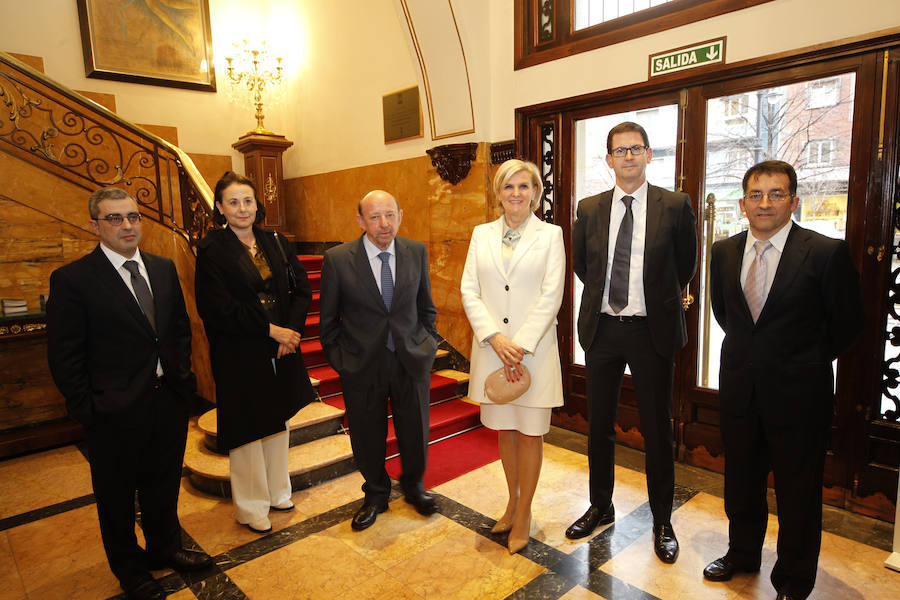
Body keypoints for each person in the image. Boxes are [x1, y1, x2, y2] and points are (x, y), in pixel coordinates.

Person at [704, 160, 863, 600]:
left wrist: (802, 360)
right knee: (741, 480)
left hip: (800, 394)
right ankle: (742, 554)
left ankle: (793, 579)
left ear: (793, 200)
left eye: (776, 194)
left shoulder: (825, 252)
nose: (765, 203)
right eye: (756, 195)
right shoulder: (723, 251)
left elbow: (848, 323)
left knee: (798, 490)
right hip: (740, 388)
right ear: (742, 203)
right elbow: (727, 314)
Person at [47, 187, 211, 600]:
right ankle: (130, 568)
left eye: (133, 217)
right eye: (115, 218)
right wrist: (88, 408)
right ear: (95, 226)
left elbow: (176, 331)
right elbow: (65, 355)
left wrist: (183, 381)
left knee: (162, 483)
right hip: (112, 410)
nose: (127, 225)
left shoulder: (162, 267)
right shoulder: (74, 279)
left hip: (167, 401)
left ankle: (165, 548)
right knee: (116, 495)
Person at [568, 121, 698, 564]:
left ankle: (662, 519)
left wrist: (653, 301)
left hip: (651, 331)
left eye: (635, 149)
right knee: (598, 425)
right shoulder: (588, 208)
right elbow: (585, 267)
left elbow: (685, 266)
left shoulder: (675, 205)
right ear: (608, 159)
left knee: (657, 429)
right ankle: (600, 506)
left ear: (648, 155)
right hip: (602, 330)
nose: (627, 157)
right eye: (619, 151)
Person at [195, 171, 315, 534]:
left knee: (277, 420)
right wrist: (270, 330)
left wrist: (289, 333)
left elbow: (301, 291)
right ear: (220, 207)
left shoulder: (275, 241)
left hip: (282, 347)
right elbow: (215, 308)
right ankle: (250, 506)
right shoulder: (212, 250)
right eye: (233, 202)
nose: (242, 208)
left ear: (256, 204)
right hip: (240, 351)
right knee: (248, 427)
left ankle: (279, 491)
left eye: (247, 200)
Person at [460, 159, 565, 554]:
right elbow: (469, 290)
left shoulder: (551, 235)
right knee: (505, 428)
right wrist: (494, 337)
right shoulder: (480, 234)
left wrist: (518, 344)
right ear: (498, 193)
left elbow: (551, 295)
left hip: (531, 353)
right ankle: (511, 500)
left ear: (536, 193)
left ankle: (525, 512)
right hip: (493, 352)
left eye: (524, 187)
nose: (516, 194)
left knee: (530, 431)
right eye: (509, 187)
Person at [318, 189, 439, 531]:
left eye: (390, 215)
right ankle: (375, 494)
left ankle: (414, 487)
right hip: (361, 364)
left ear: (400, 215)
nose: (384, 224)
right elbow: (327, 323)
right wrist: (342, 360)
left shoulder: (415, 251)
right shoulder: (338, 259)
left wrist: (426, 344)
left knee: (415, 429)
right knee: (367, 433)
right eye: (374, 216)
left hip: (410, 359)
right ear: (360, 220)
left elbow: (426, 307)